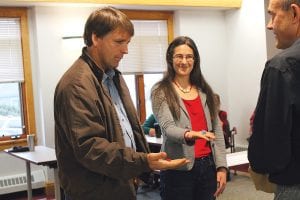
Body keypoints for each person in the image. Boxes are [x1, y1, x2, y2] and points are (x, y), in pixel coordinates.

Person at [54, 7, 189, 200]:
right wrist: (143, 161)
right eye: (119, 42)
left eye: (127, 42)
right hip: (94, 192)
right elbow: (91, 148)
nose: (125, 50)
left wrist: (139, 166)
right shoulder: (77, 85)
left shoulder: (112, 76)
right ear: (95, 38)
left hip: (118, 183)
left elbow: (127, 128)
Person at [151, 36, 228, 200]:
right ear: (170, 59)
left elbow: (217, 132)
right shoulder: (161, 91)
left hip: (207, 166)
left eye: (189, 56)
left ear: (195, 60)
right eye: (179, 56)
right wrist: (189, 134)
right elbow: (168, 127)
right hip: (178, 168)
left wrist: (221, 167)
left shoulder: (205, 90)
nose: (184, 61)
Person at [248, 0, 300, 199]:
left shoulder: (281, 66)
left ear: (294, 14)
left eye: (273, 15)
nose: (269, 25)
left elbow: (270, 137)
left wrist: (261, 164)